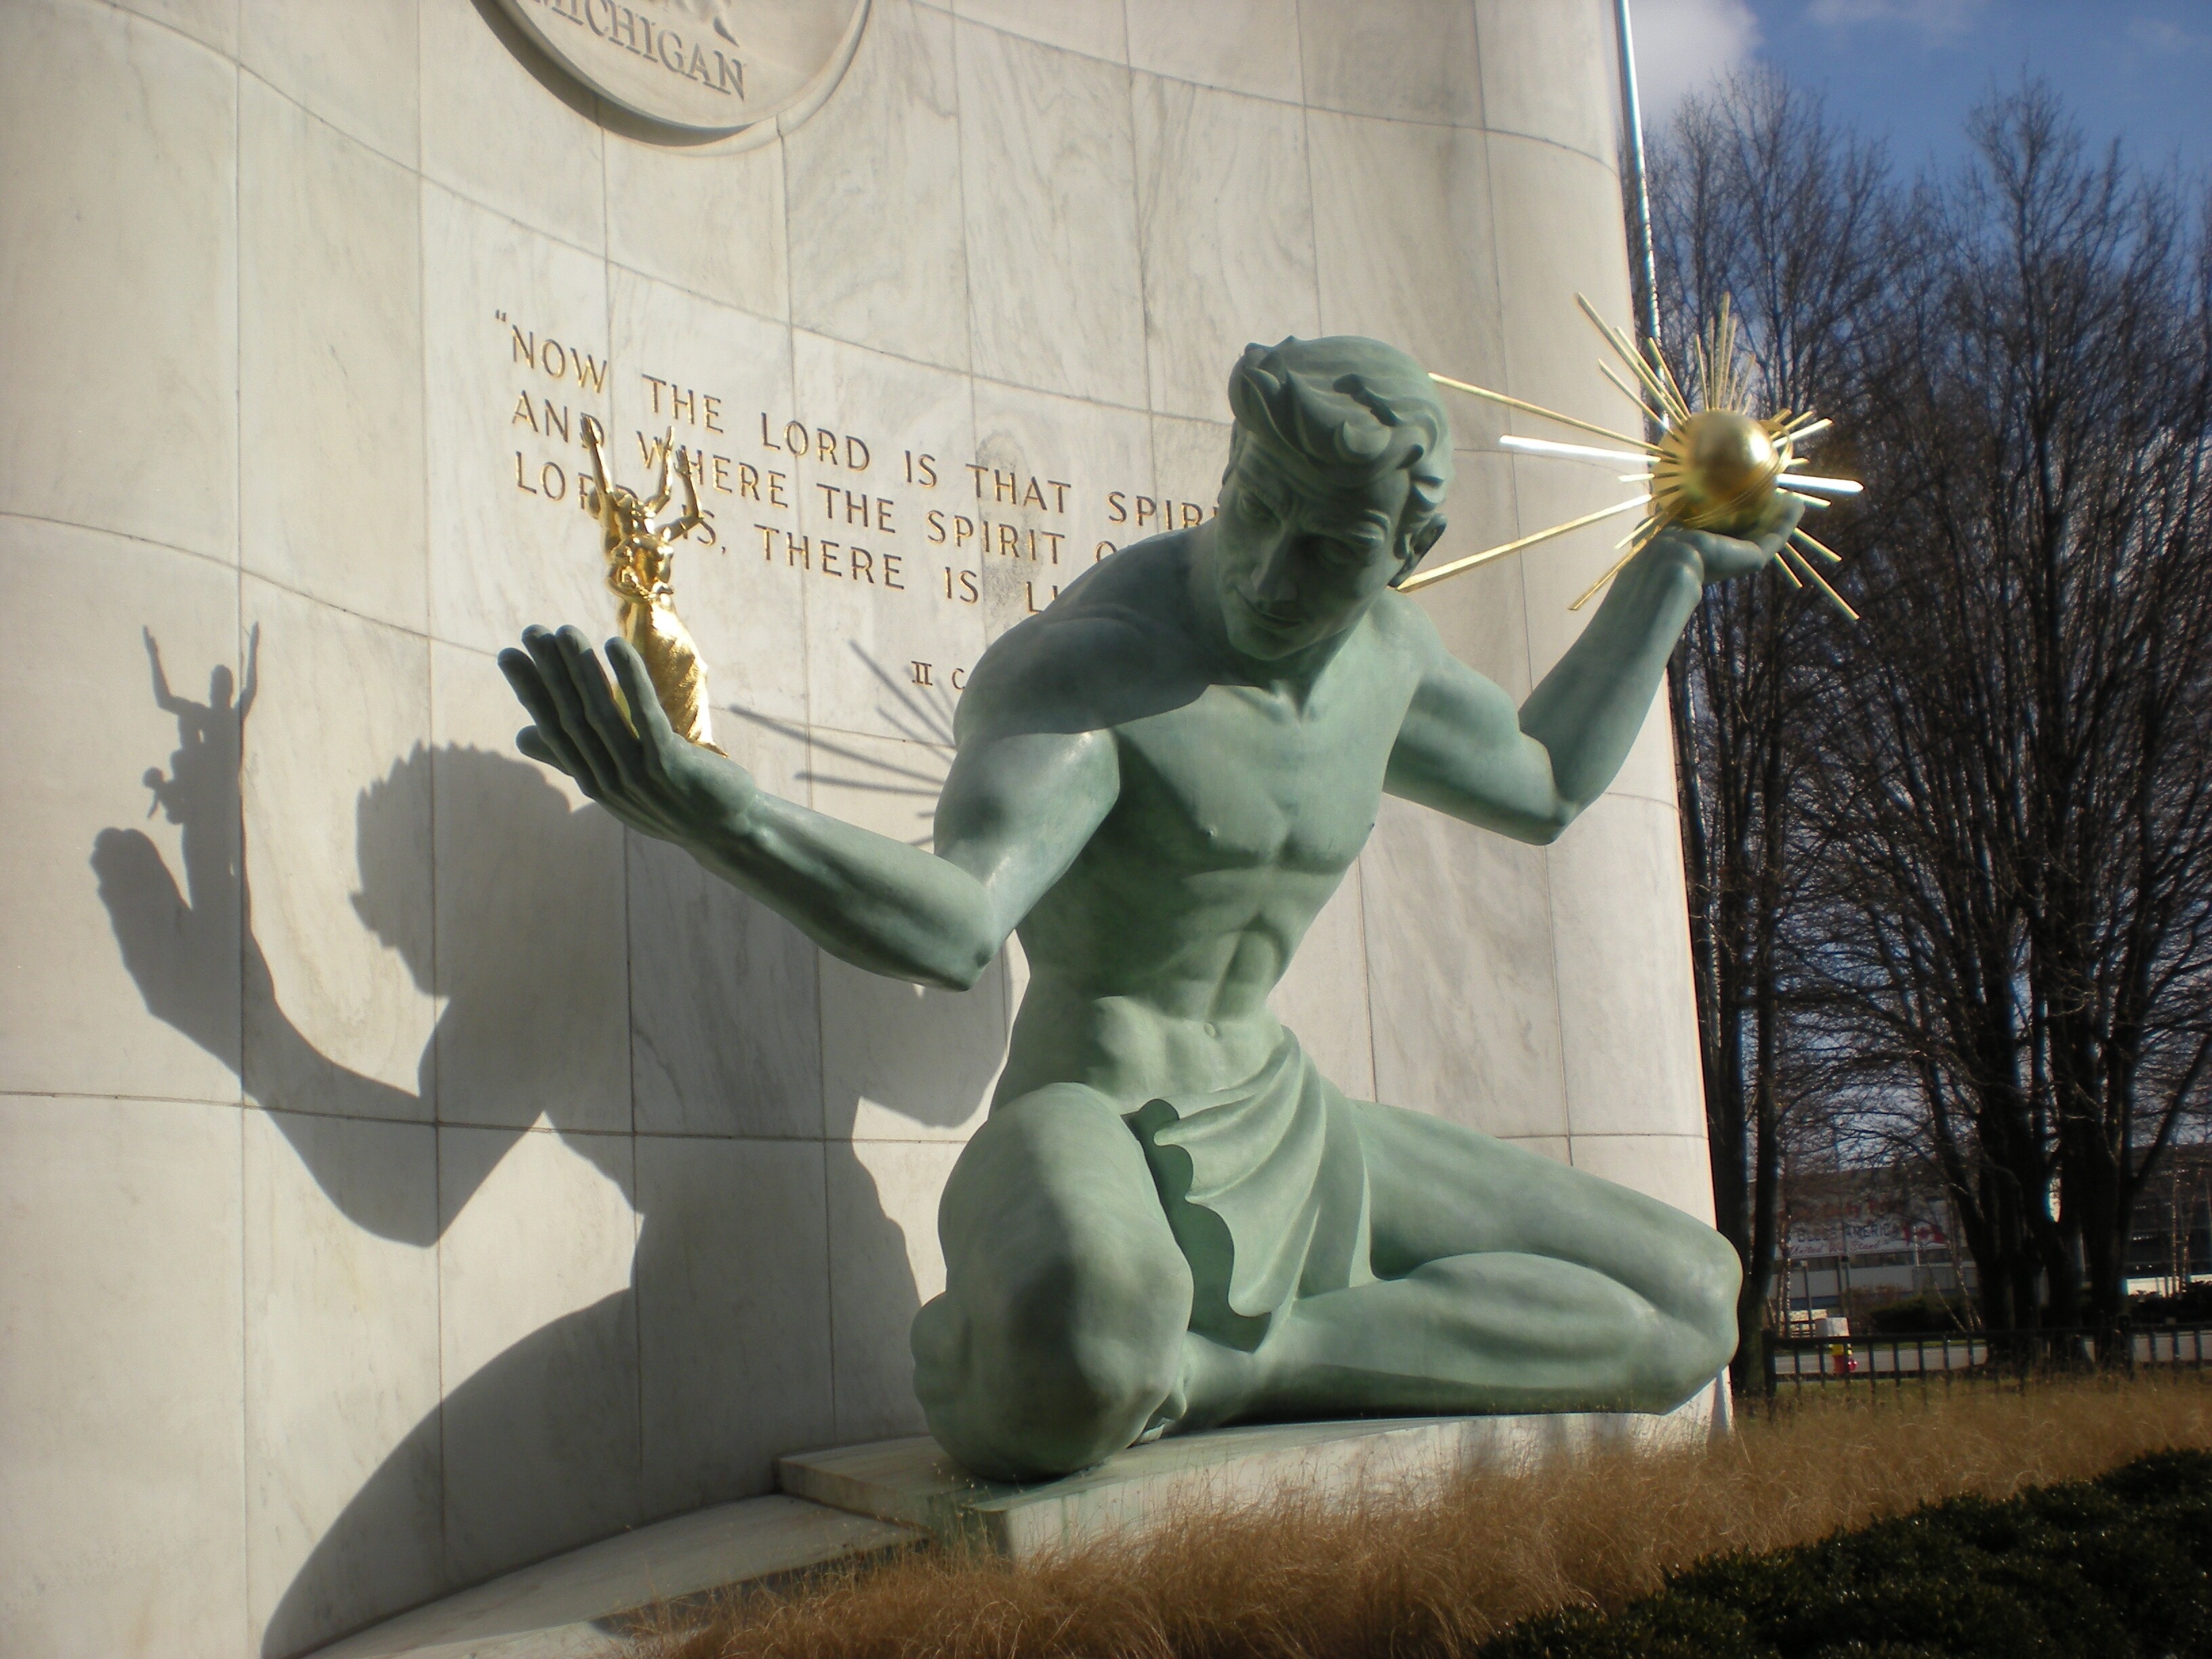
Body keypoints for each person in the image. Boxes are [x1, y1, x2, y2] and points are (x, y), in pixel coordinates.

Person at [500, 336, 1793, 1481]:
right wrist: (715, 809)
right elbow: (958, 926)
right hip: (1089, 1118)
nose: (1271, 571)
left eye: (1330, 550)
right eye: (1254, 507)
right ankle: (1131, 1346)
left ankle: (1253, 1367)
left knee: (1693, 1304)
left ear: (1406, 556)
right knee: (1086, 1353)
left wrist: (1672, 570)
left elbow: (1551, 778)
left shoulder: (1389, 663)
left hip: (1284, 1115)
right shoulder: (1103, 667)